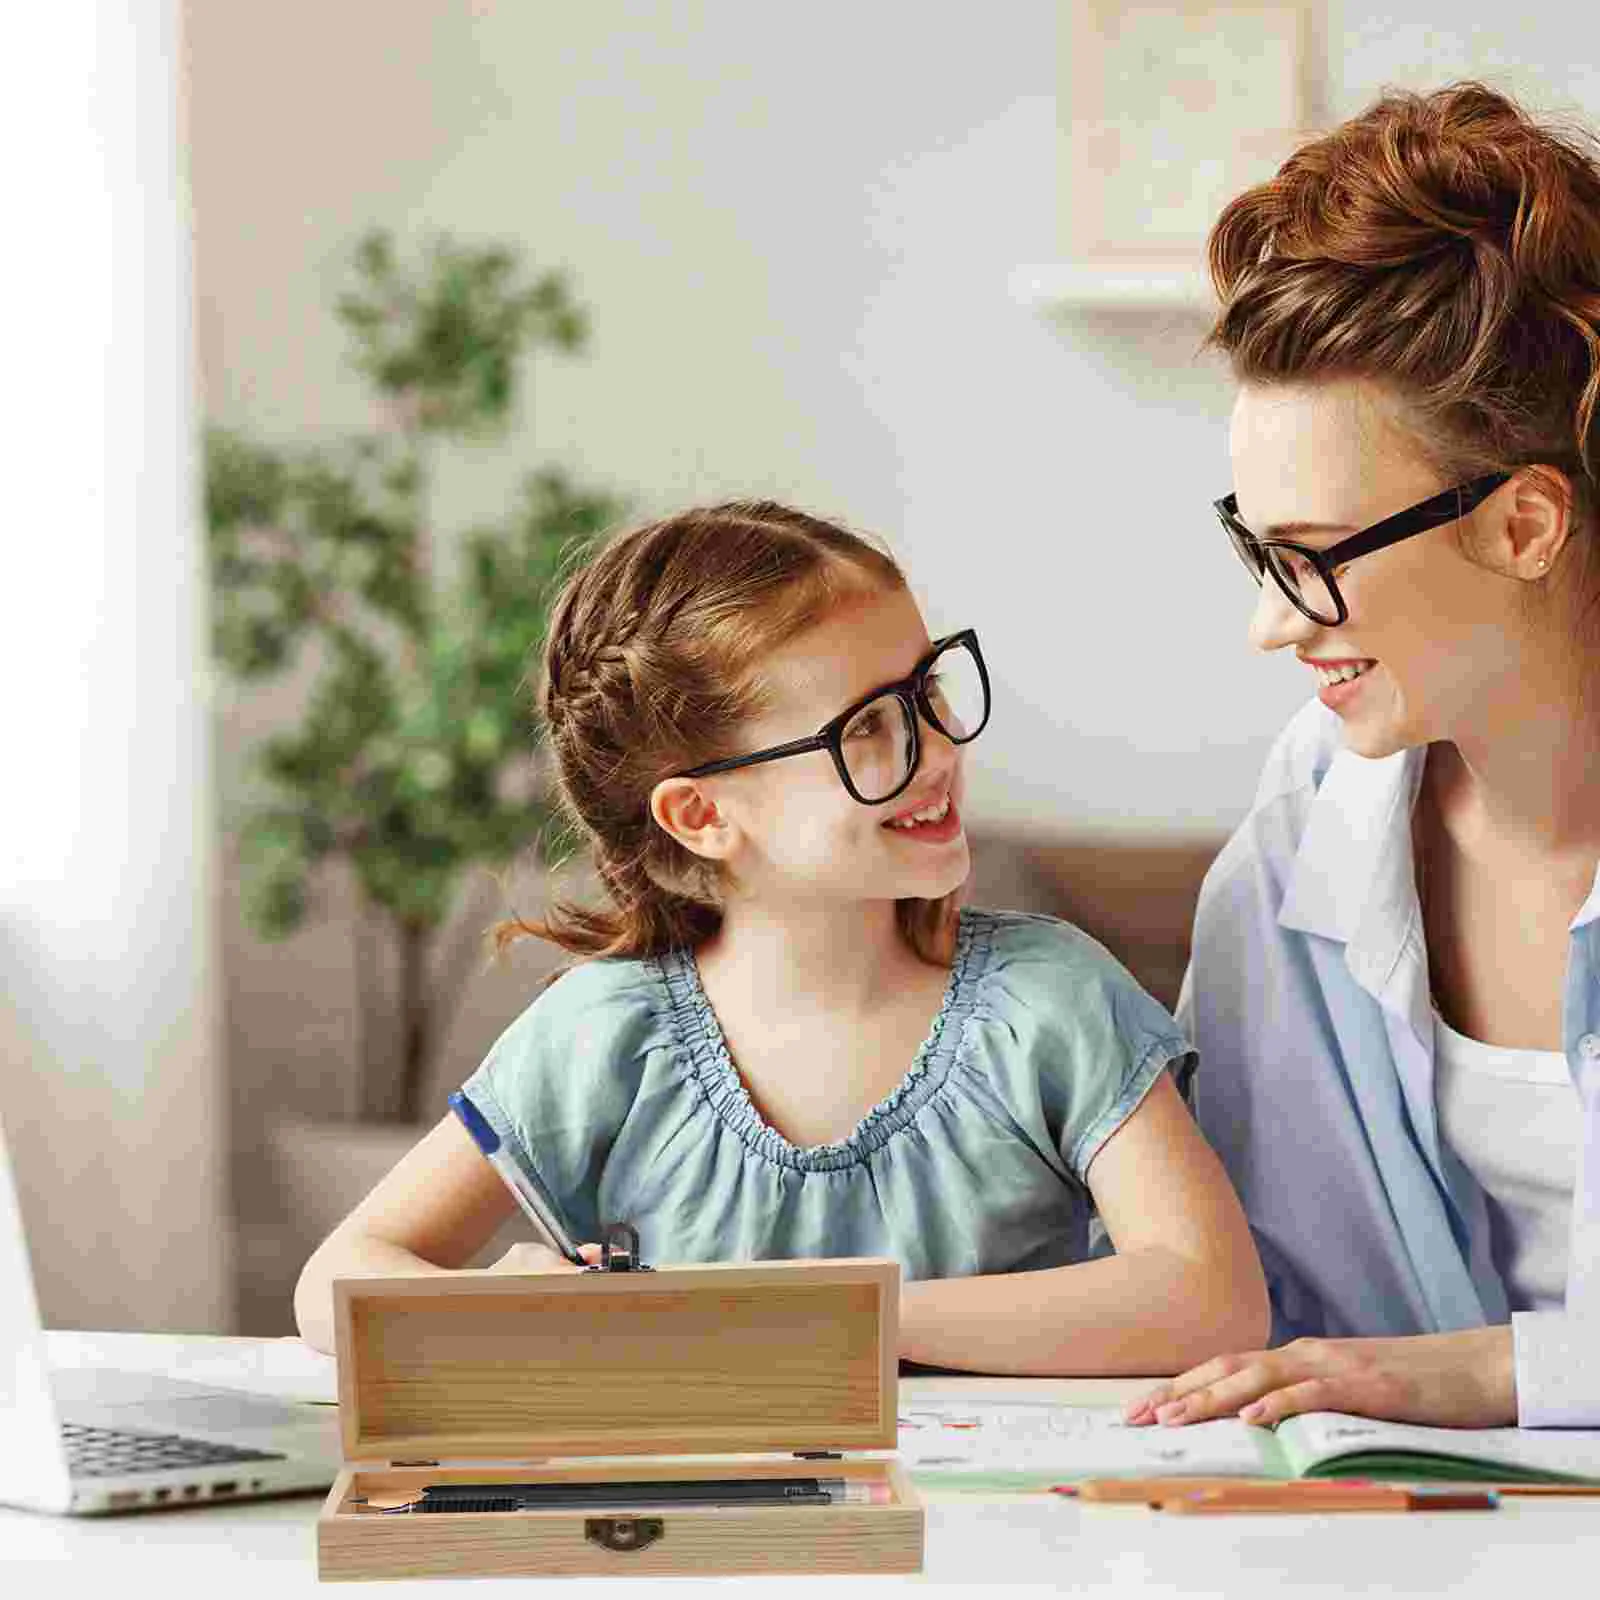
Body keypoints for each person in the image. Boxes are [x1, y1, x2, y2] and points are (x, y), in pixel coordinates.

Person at [294, 501, 1267, 1372]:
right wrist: (495, 1308)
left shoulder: (1048, 1000)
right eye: (868, 730)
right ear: (702, 816)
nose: (935, 751)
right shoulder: (601, 1036)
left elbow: (1209, 1300)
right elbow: (335, 1280)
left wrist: (819, 1317)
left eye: (927, 693)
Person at [1126, 82, 1600, 1433]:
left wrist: (1484, 1375)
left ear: (1523, 526)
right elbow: (1235, 1285)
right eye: (1256, 548)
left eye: (1316, 559)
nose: (1272, 624)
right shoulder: (1306, 830)